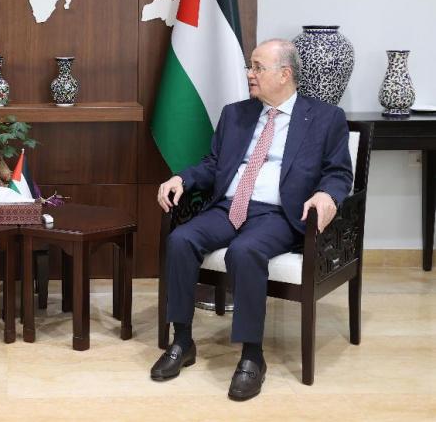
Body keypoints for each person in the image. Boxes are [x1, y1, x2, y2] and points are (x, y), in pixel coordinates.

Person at [150, 39, 352, 400]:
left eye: (258, 67)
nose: (249, 74)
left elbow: (338, 173)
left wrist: (327, 194)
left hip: (279, 214)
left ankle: (252, 356)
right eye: (250, 66)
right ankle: (182, 341)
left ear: (285, 74)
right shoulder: (236, 114)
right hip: (229, 207)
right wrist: (182, 178)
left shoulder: (325, 118)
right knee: (180, 239)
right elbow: (214, 164)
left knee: (243, 252)